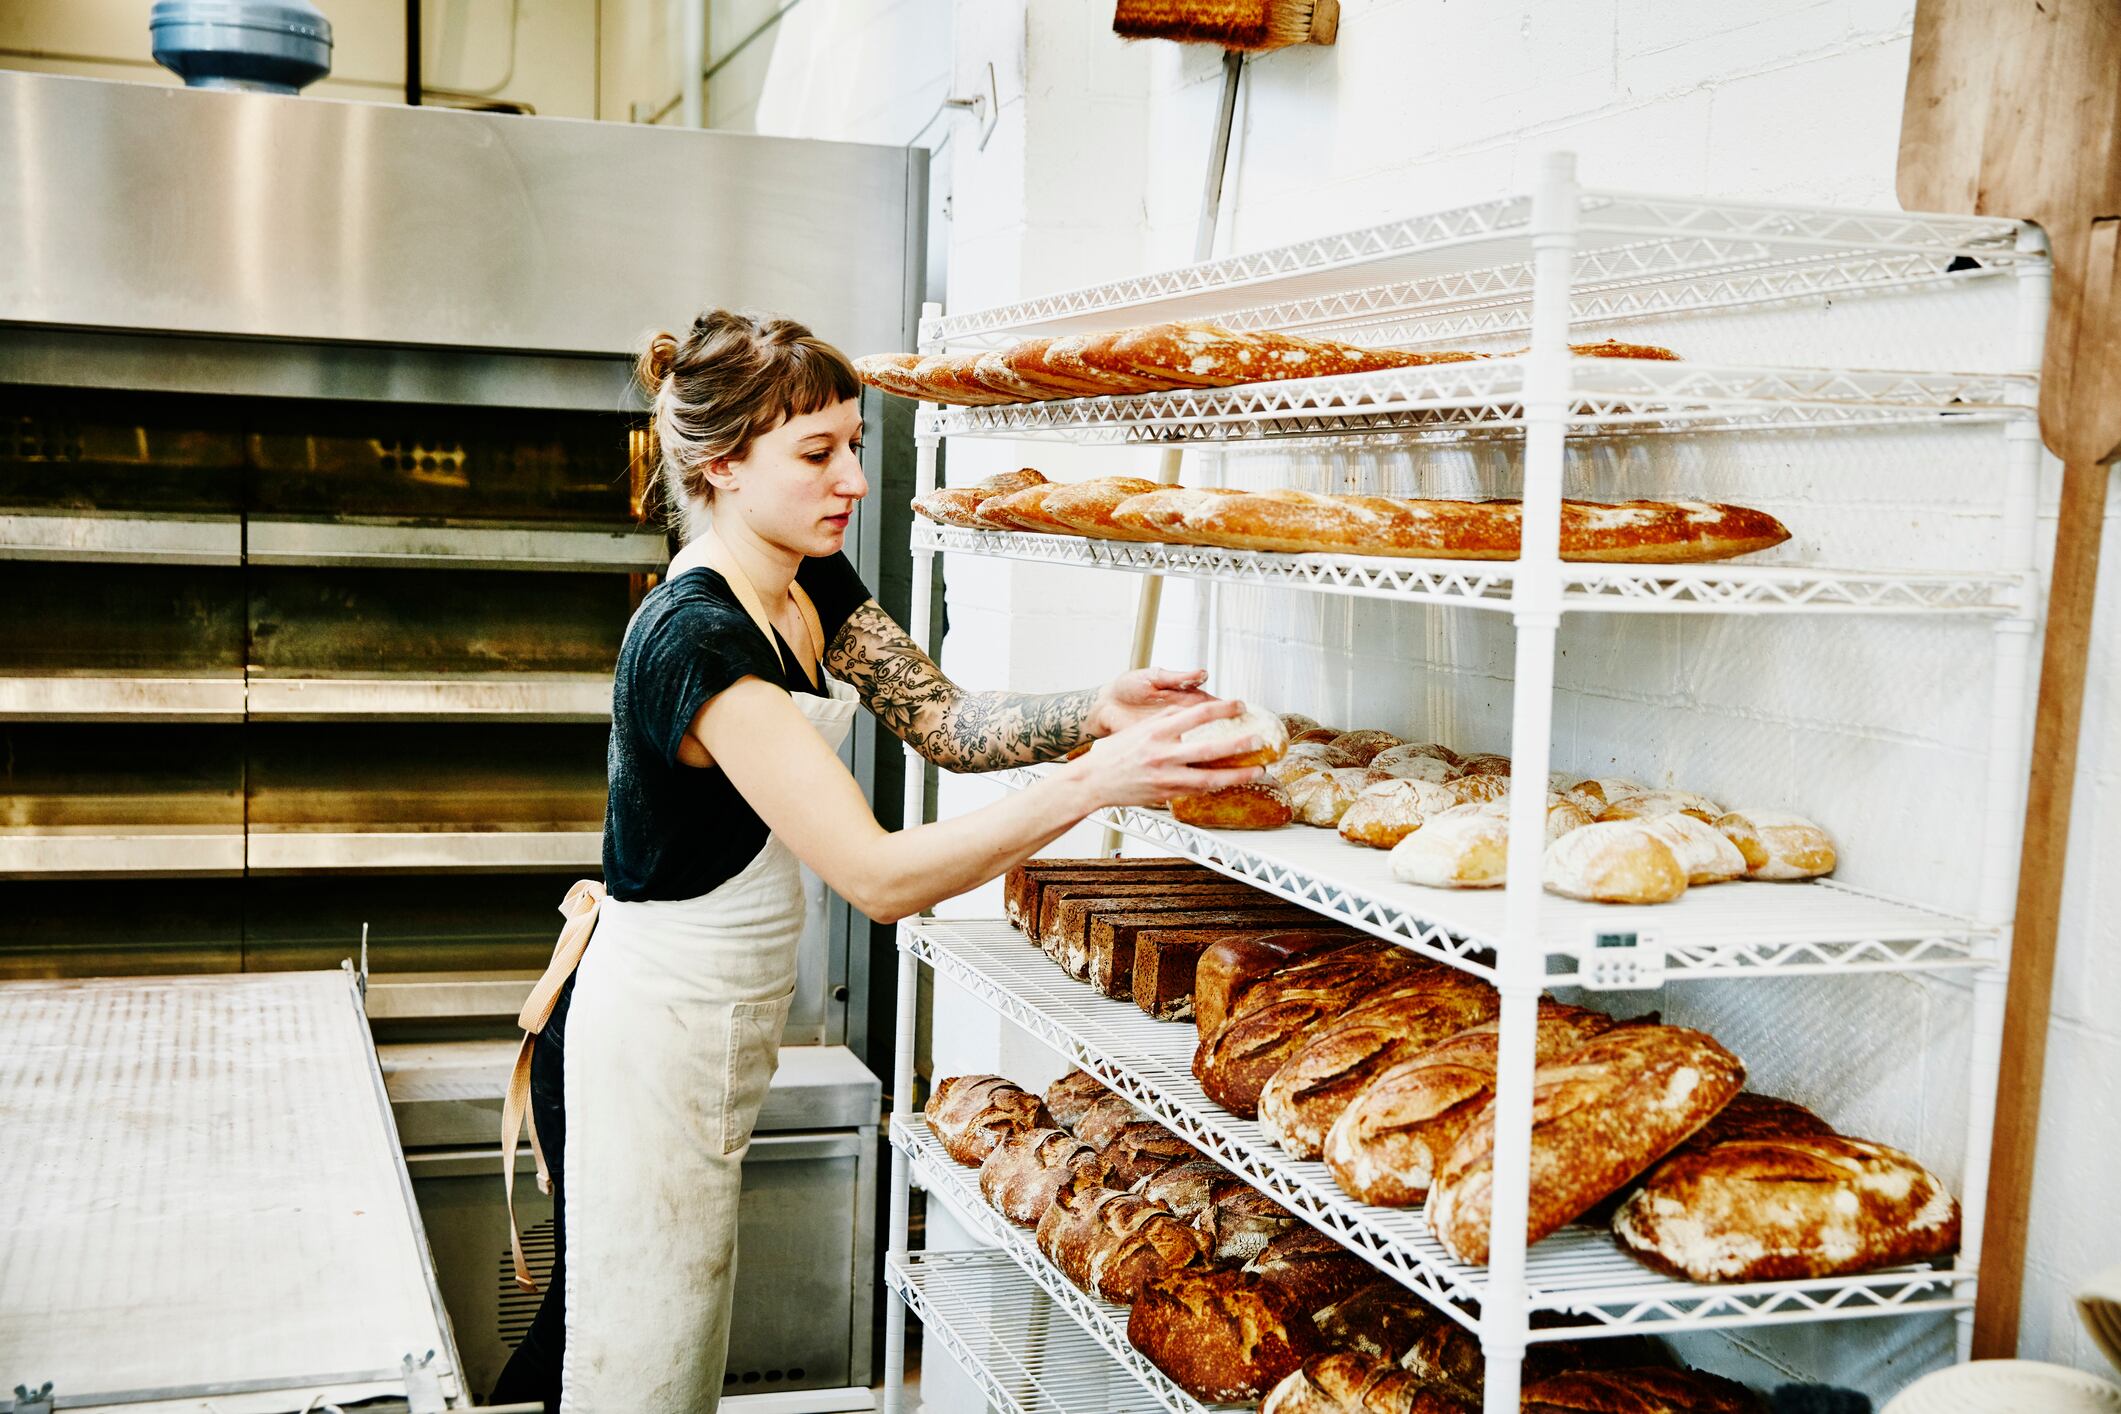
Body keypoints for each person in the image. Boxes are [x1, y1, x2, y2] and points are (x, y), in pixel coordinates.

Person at [488, 310, 1263, 1412]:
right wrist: (1095, 784)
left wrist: (1094, 712)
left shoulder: (811, 583)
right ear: (723, 465)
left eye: (854, 442)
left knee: (668, 1339)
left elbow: (941, 717)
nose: (853, 475)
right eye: (818, 453)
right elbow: (880, 876)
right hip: (644, 1041)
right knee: (637, 1368)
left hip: (713, 1026)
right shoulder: (694, 640)